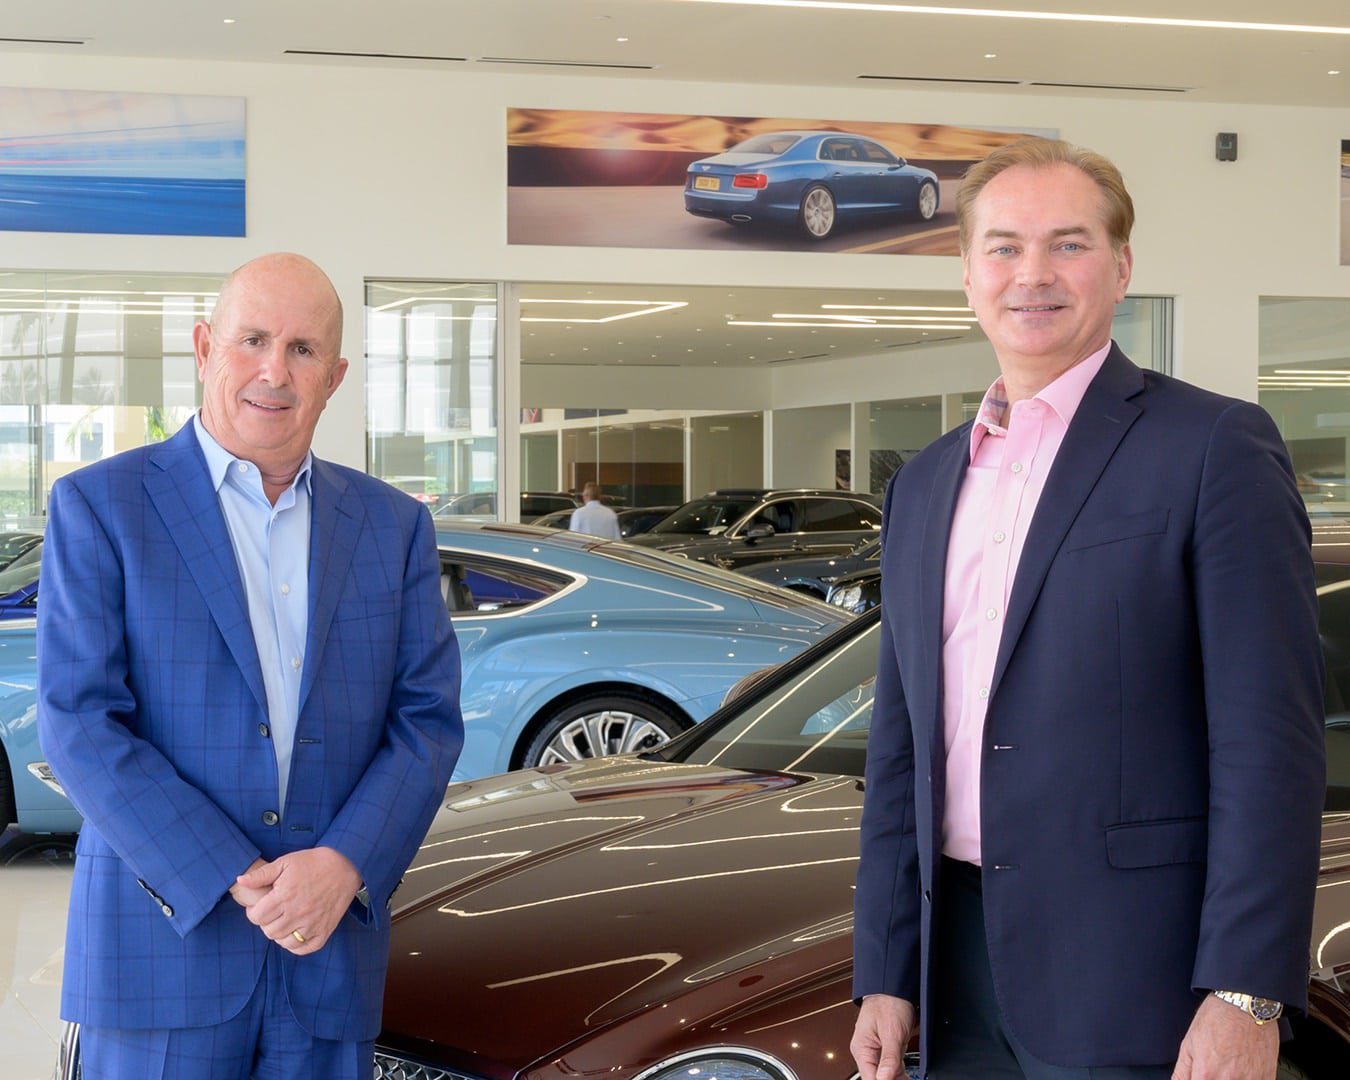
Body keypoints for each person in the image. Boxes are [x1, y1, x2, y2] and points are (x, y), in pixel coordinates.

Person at [850, 139, 1325, 1080]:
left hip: (1141, 980)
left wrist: (1245, 990)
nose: (1032, 274)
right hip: (954, 977)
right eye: (1004, 247)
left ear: (1121, 267)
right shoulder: (924, 483)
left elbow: (1268, 741)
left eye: (1068, 244)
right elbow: (899, 751)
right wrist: (887, 969)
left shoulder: (1213, 446)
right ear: (968, 273)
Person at [37, 252, 464, 1079]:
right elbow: (80, 722)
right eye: (253, 340)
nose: (275, 371)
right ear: (205, 348)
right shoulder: (102, 506)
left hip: (326, 955)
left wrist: (344, 865)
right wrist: (232, 872)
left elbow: (427, 722)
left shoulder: (392, 526)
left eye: (303, 349)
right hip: (161, 954)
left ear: (335, 377)